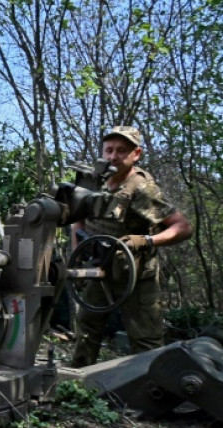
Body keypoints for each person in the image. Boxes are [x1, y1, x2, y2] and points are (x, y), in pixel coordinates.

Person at [69, 126, 192, 367]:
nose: (113, 156)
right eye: (109, 150)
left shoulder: (141, 188)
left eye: (121, 151)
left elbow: (182, 227)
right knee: (86, 331)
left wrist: (145, 240)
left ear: (136, 154)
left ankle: (151, 383)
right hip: (97, 269)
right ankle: (78, 382)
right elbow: (78, 220)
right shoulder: (95, 182)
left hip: (135, 274)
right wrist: (78, 256)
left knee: (146, 338)